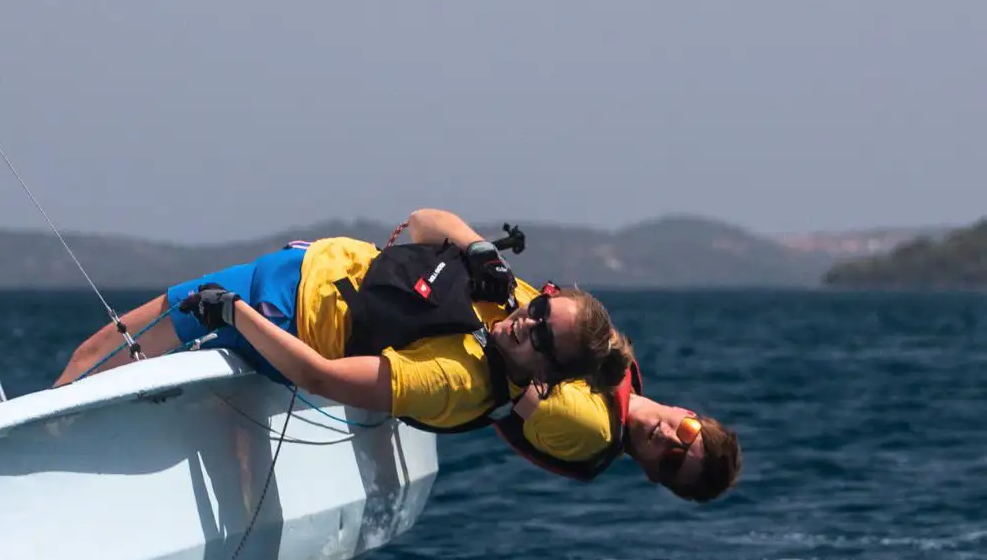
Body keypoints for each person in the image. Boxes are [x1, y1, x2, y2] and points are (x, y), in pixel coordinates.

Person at [54, 208, 634, 435]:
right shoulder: (509, 300)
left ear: (547, 376)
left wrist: (235, 313)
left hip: (277, 310)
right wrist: (479, 248)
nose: (523, 323)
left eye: (539, 337)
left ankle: (38, 448)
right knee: (110, 356)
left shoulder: (454, 380)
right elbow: (425, 222)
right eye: (538, 310)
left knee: (100, 354)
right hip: (296, 270)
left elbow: (324, 380)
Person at [499, 355, 742, 502]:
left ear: (653, 474)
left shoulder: (593, 431)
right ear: (687, 412)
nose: (668, 437)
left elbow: (507, 379)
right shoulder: (618, 368)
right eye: (687, 431)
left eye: (673, 460)